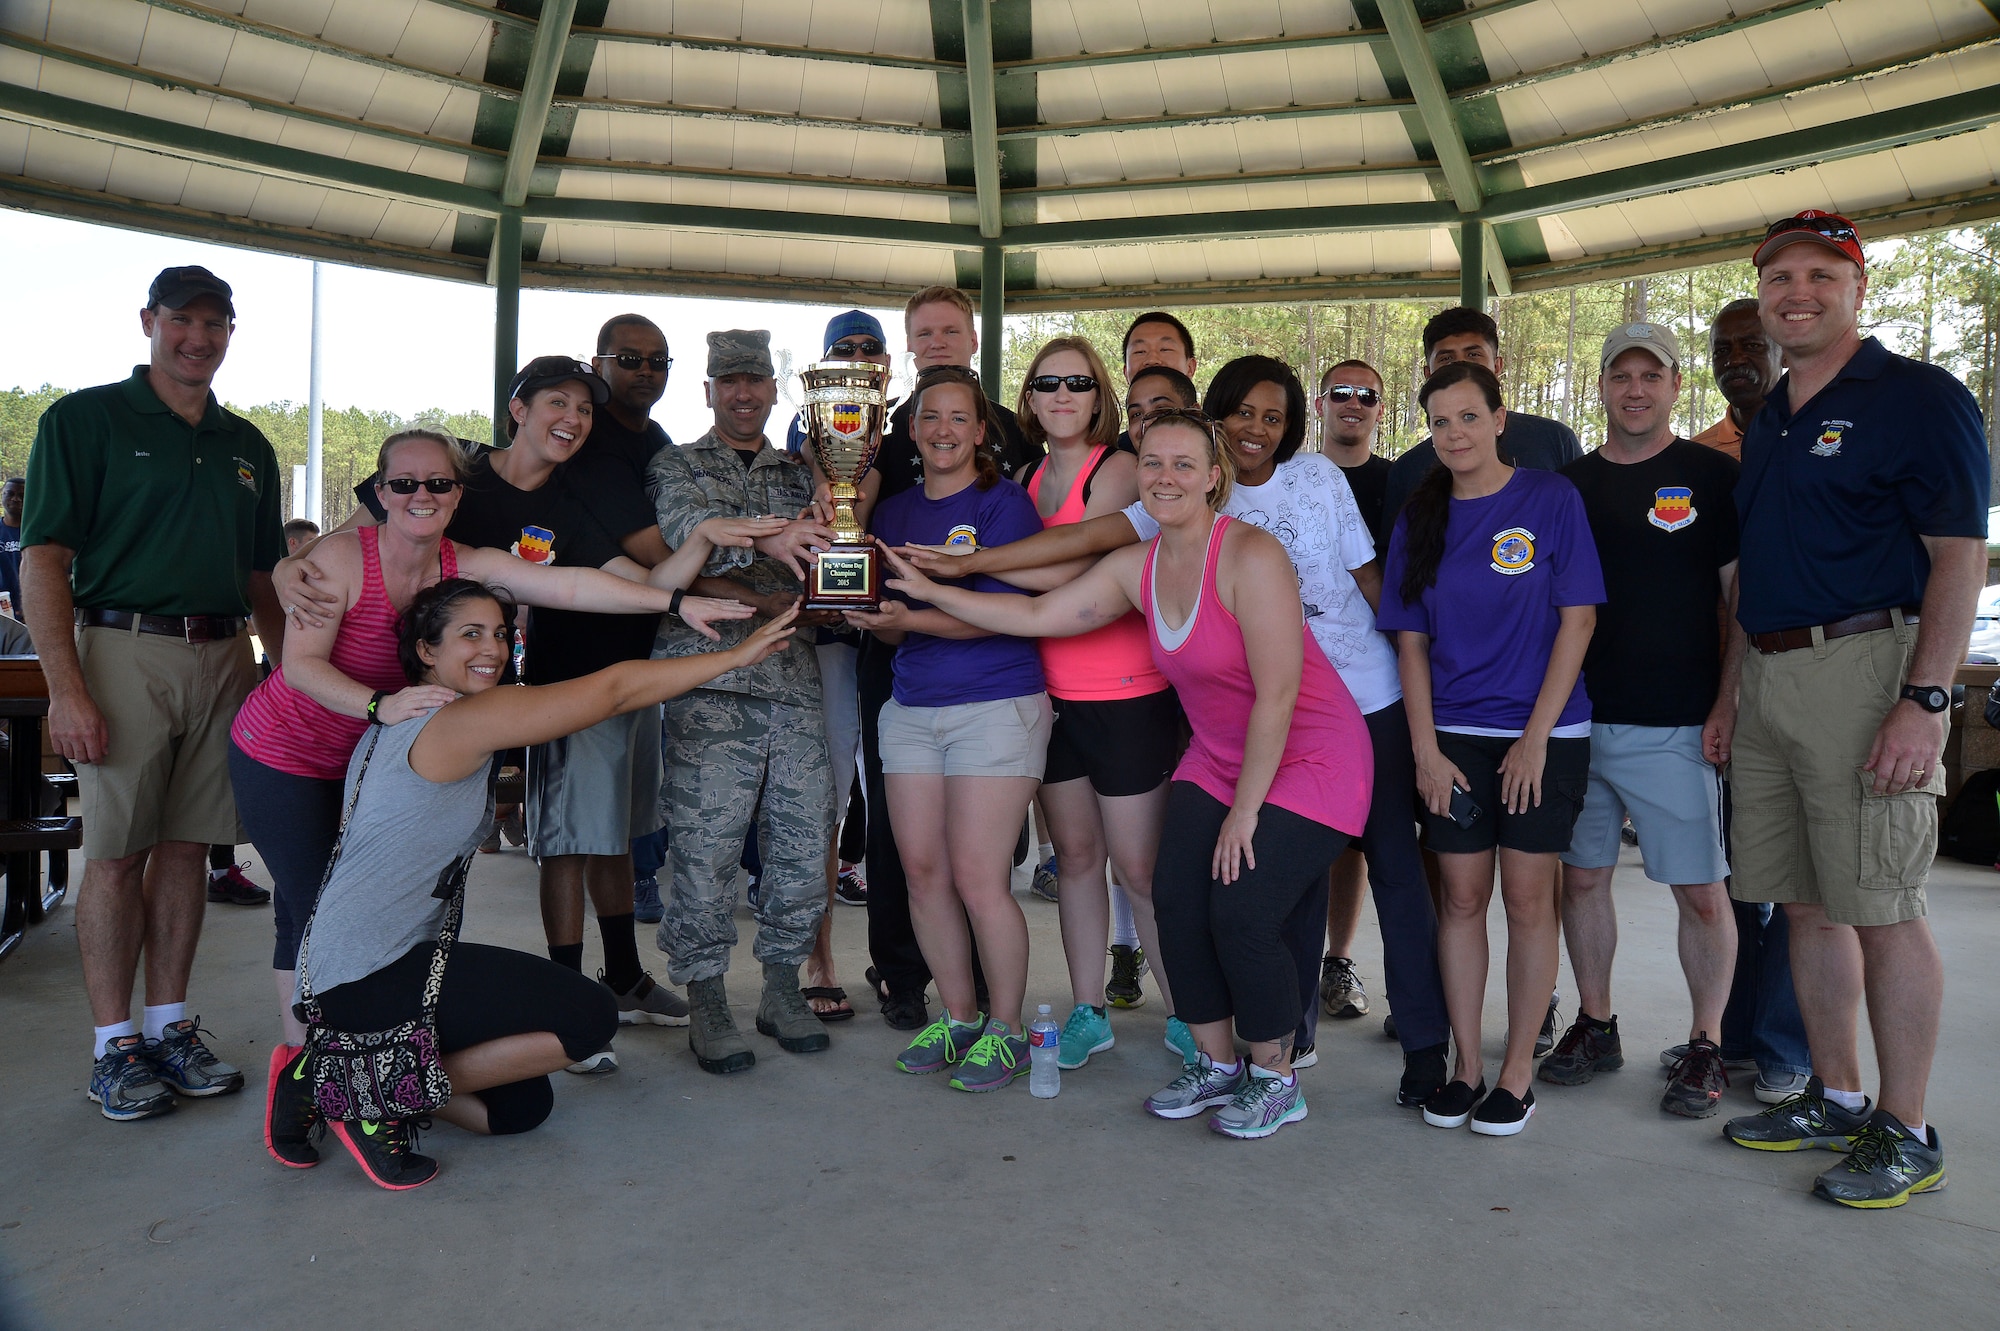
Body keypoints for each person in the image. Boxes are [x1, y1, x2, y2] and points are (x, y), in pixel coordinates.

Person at [906, 357, 1454, 1103]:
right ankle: (1216, 1061)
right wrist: (931, 586)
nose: (1163, 476)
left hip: (1313, 751)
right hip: (1222, 754)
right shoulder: (1139, 563)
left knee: (1243, 904)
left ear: (1211, 477)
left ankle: (1275, 1075)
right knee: (1171, 890)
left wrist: (1246, 811)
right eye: (1153, 462)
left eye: (1182, 465)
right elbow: (1037, 614)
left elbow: (1280, 693)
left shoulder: (1252, 555)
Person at [235, 427, 754, 1069]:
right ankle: (309, 1071)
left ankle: (351, 1059)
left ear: (458, 493)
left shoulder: (466, 564)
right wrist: (381, 704)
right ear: (380, 492)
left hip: (369, 758)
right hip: (289, 751)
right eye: (404, 484)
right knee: (311, 907)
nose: (421, 494)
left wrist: (674, 600)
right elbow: (298, 667)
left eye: (440, 483)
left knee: (344, 907)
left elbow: (569, 586)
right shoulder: (339, 559)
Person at [265, 578, 797, 1190]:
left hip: (353, 969)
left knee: (519, 1110)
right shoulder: (461, 718)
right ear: (425, 650)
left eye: (499, 632)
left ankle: (344, 1073)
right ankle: (352, 1086)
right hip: (368, 971)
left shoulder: (405, 714)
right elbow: (615, 690)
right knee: (588, 1018)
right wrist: (734, 654)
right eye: (470, 634)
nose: (491, 647)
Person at [1717, 211, 1986, 1209]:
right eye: (1777, 277)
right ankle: (1833, 1096)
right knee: (1803, 902)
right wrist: (1731, 692)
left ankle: (1906, 1128)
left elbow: (1958, 555)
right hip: (1769, 675)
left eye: (1817, 275)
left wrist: (1923, 700)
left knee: (1882, 907)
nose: (1794, 293)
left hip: (1868, 666)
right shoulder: (1774, 410)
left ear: (1856, 286)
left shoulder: (1915, 397)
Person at [23, 265, 286, 1121]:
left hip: (223, 656)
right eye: (183, 320)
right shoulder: (84, 418)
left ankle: (170, 1025)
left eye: (217, 324)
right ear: (149, 320)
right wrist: (66, 688)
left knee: (188, 849)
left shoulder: (246, 444)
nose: (199, 338)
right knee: (115, 854)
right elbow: (43, 560)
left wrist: (284, 678)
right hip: (120, 647)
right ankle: (114, 1045)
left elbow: (260, 577)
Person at [1378, 361, 1602, 1138]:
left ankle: (1517, 1074)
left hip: (1546, 732)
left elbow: (1578, 621)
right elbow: (1409, 644)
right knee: (1463, 899)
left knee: (1529, 898)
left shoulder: (1550, 498)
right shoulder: (1421, 513)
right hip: (1454, 738)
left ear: (1500, 419)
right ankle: (1467, 1067)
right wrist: (1425, 752)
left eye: (1469, 417)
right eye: (1440, 422)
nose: (1455, 435)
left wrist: (1536, 739)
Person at [1542, 323, 1743, 1120]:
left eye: (1649, 374)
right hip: (1580, 720)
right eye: (1619, 374)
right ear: (1599, 386)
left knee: (1700, 890)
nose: (1634, 388)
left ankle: (1705, 1041)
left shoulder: (1710, 476)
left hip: (1677, 723)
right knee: (1582, 878)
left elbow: (1739, 598)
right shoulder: (1568, 485)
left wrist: (1726, 702)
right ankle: (1596, 1021)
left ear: (1673, 383)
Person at [842, 365, 1051, 1090]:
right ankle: (959, 1015)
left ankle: (1008, 1028)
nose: (943, 431)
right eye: (930, 417)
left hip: (995, 705)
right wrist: (872, 619)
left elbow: (996, 613)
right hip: (910, 709)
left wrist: (906, 618)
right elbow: (899, 630)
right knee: (922, 873)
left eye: (959, 418)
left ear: (981, 430)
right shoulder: (892, 514)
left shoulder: (1004, 506)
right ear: (909, 428)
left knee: (977, 876)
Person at [648, 329, 841, 1075]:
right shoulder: (677, 464)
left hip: (792, 678)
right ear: (707, 390)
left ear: (771, 390)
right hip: (708, 682)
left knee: (801, 841)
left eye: (755, 381)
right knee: (705, 849)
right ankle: (705, 996)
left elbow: (823, 551)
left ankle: (783, 986)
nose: (742, 393)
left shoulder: (801, 475)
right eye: (728, 381)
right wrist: (771, 543)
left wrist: (829, 571)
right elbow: (686, 539)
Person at [1011, 337, 1179, 1073]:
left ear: (1098, 393)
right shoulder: (1021, 475)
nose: (1062, 393)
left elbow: (1083, 566)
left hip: (1130, 695)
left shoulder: (1119, 469)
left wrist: (979, 578)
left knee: (1139, 869)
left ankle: (1188, 1014)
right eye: (1047, 382)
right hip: (1052, 697)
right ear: (1030, 397)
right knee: (1077, 858)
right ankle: (1089, 1008)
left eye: (1078, 381)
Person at [1686, 298, 1812, 1103]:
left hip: (1809, 672)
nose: (1737, 356)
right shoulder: (1704, 455)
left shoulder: (1817, 427)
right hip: (1723, 683)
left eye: (1751, 343)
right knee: (1737, 873)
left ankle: (1784, 1046)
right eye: (1723, 346)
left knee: (1799, 884)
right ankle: (1727, 1037)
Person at [783, 309, 896, 1020]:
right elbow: (835, 503)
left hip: (900, 638)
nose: (859, 357)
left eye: (870, 348)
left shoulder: (915, 421)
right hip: (828, 636)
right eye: (844, 349)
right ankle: (817, 952)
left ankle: (895, 956)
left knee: (892, 803)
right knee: (825, 801)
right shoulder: (811, 423)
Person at [1309, 357, 1390, 1028]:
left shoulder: (1398, 481)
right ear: (1319, 403)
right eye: (1342, 392)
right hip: (1295, 683)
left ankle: (1338, 959)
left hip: (1377, 686)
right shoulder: (1291, 481)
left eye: (1368, 395)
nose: (1354, 403)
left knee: (1363, 840)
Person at [1378, 307, 1585, 546]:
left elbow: (1579, 538)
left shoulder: (1554, 440)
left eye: (1474, 355)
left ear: (1497, 366)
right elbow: (1395, 562)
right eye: (1446, 359)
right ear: (1428, 373)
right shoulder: (1408, 469)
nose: (1461, 368)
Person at [1691, 298, 1780, 462]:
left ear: (1785, 354)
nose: (1734, 360)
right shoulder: (1695, 455)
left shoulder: (1817, 439)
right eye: (1722, 350)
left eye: (1751, 346)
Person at [0, 477, 24, 618]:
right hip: (3, 611)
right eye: (10, 494)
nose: (15, 499)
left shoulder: (38, 534)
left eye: (22, 496)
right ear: (2, 495)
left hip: (31, 611)